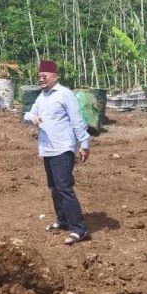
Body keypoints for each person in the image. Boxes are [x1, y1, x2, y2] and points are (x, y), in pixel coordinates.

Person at [23, 60, 91, 245]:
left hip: (63, 148)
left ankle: (79, 228)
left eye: (45, 75)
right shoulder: (41, 97)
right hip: (47, 149)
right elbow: (26, 115)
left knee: (64, 187)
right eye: (39, 75)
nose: (41, 78)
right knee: (54, 187)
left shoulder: (64, 94)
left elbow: (77, 120)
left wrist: (84, 143)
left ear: (55, 76)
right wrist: (32, 117)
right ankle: (62, 220)